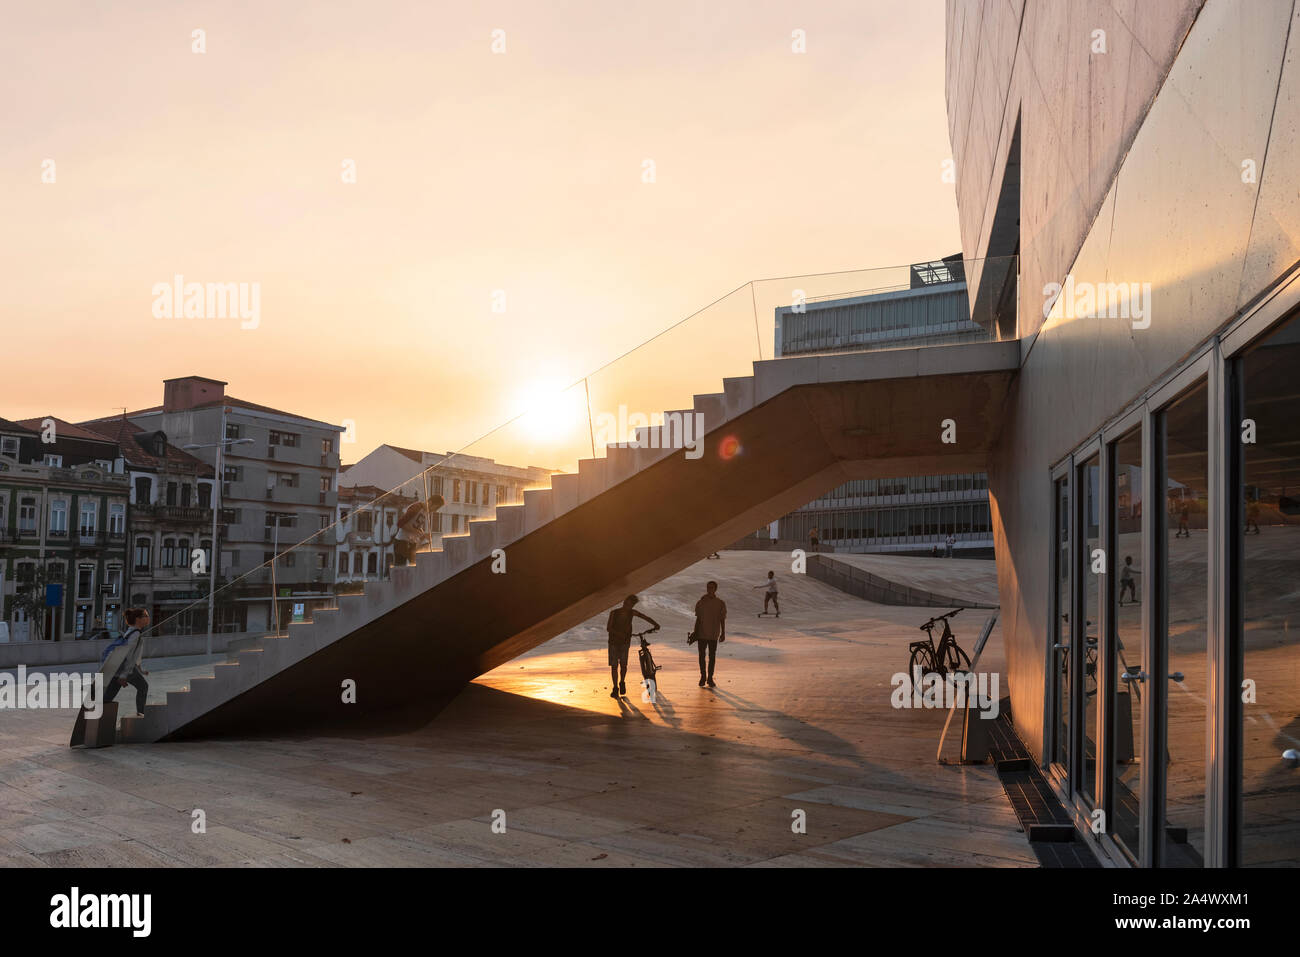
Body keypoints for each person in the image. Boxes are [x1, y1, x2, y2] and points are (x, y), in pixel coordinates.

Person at [605, 595, 659, 699]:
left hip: (625, 642)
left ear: (632, 606)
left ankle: (622, 682)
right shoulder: (614, 613)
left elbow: (645, 617)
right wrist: (619, 634)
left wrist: (655, 624)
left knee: (624, 665)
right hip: (613, 642)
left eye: (629, 604)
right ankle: (615, 688)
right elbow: (608, 628)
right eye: (626, 603)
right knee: (614, 666)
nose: (626, 606)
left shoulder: (632, 612)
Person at [102, 607, 150, 716]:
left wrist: (140, 670)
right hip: (125, 669)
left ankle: (93, 716)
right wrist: (123, 675)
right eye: (145, 616)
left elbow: (135, 656)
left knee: (108, 697)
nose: (148, 618)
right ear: (138, 619)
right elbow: (129, 656)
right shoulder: (136, 634)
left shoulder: (130, 631)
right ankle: (141, 714)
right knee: (143, 687)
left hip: (117, 667)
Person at [693, 581, 727, 688]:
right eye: (708, 587)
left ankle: (710, 678)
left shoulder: (720, 603)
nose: (709, 589)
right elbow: (698, 619)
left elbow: (722, 619)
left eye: (711, 587)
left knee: (712, 657)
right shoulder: (701, 602)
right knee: (701, 656)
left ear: (715, 589)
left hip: (713, 633)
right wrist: (695, 632)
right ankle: (703, 677)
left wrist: (723, 633)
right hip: (702, 633)